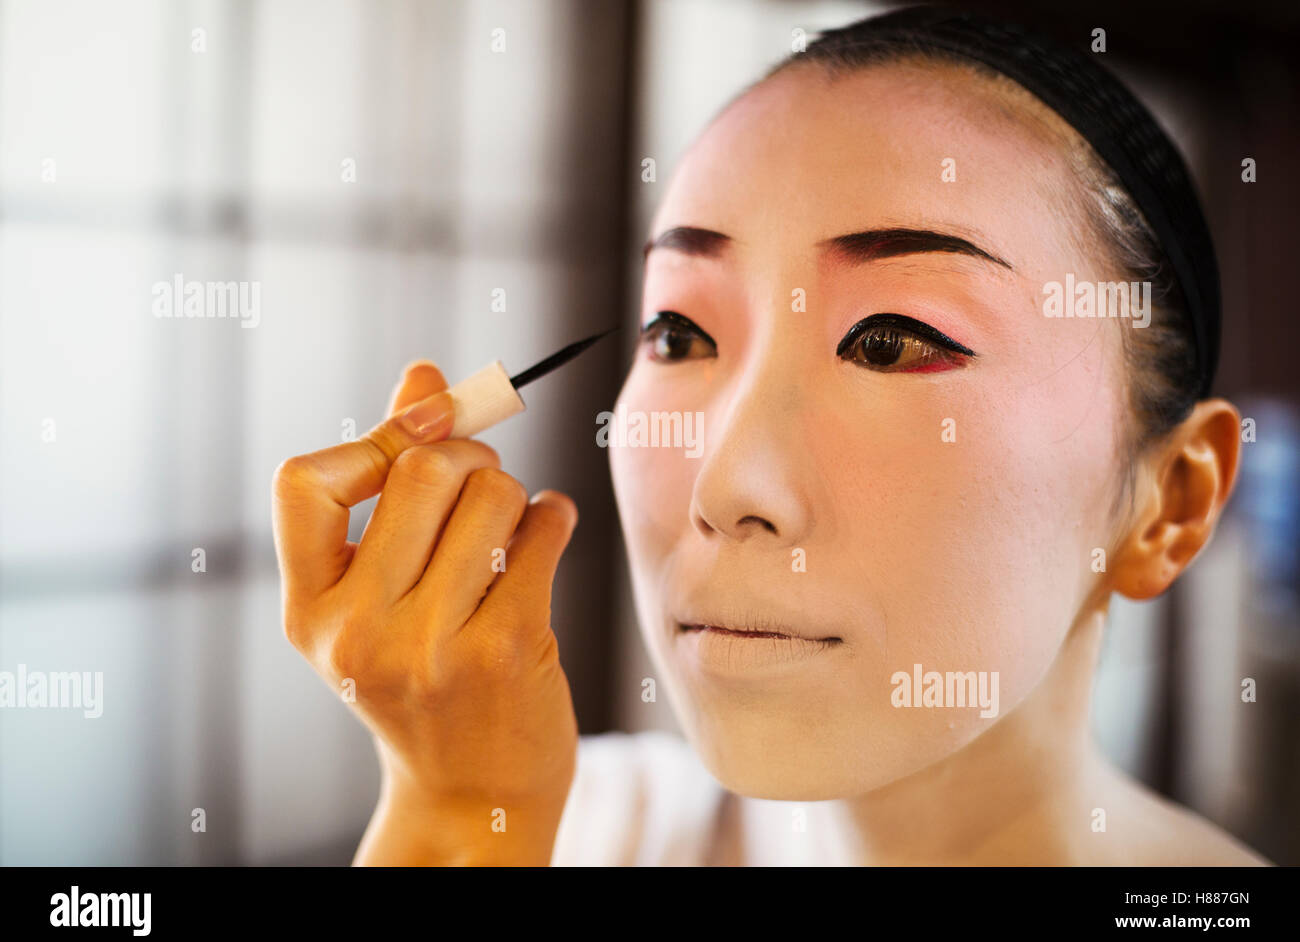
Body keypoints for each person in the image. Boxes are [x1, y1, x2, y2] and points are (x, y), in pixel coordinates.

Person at [271, 7, 1269, 865]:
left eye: (887, 341)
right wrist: (448, 811)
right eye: (680, 332)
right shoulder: (564, 821)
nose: (723, 484)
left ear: (1169, 503)